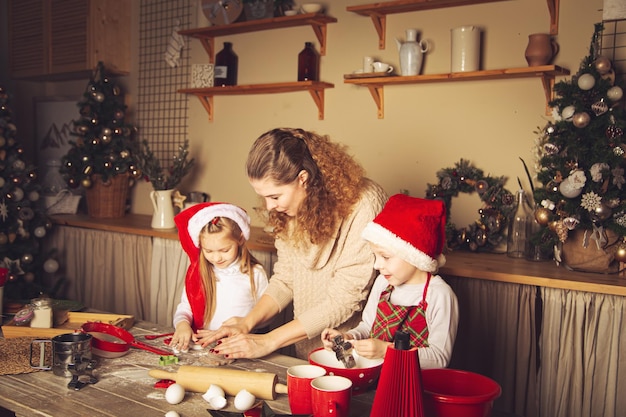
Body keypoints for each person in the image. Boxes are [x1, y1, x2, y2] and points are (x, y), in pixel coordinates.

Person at [202, 127, 387, 359]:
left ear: (303, 179)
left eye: (275, 196)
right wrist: (247, 323)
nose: (269, 206)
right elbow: (286, 279)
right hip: (307, 348)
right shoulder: (287, 210)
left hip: (354, 352)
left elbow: (344, 300)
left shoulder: (364, 204)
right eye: (264, 196)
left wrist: (268, 341)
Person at [321, 194, 459, 369]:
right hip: (377, 382)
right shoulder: (383, 284)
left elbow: (439, 359)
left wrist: (387, 351)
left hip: (415, 389)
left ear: (414, 256)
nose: (378, 265)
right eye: (376, 256)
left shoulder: (439, 294)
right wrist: (349, 338)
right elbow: (367, 328)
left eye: (386, 257)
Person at [170, 202, 269, 353]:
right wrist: (182, 325)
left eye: (224, 250)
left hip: (239, 349)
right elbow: (185, 308)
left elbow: (268, 316)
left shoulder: (255, 274)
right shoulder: (198, 274)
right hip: (203, 348)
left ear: (241, 239)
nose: (217, 258)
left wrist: (247, 323)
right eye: (208, 251)